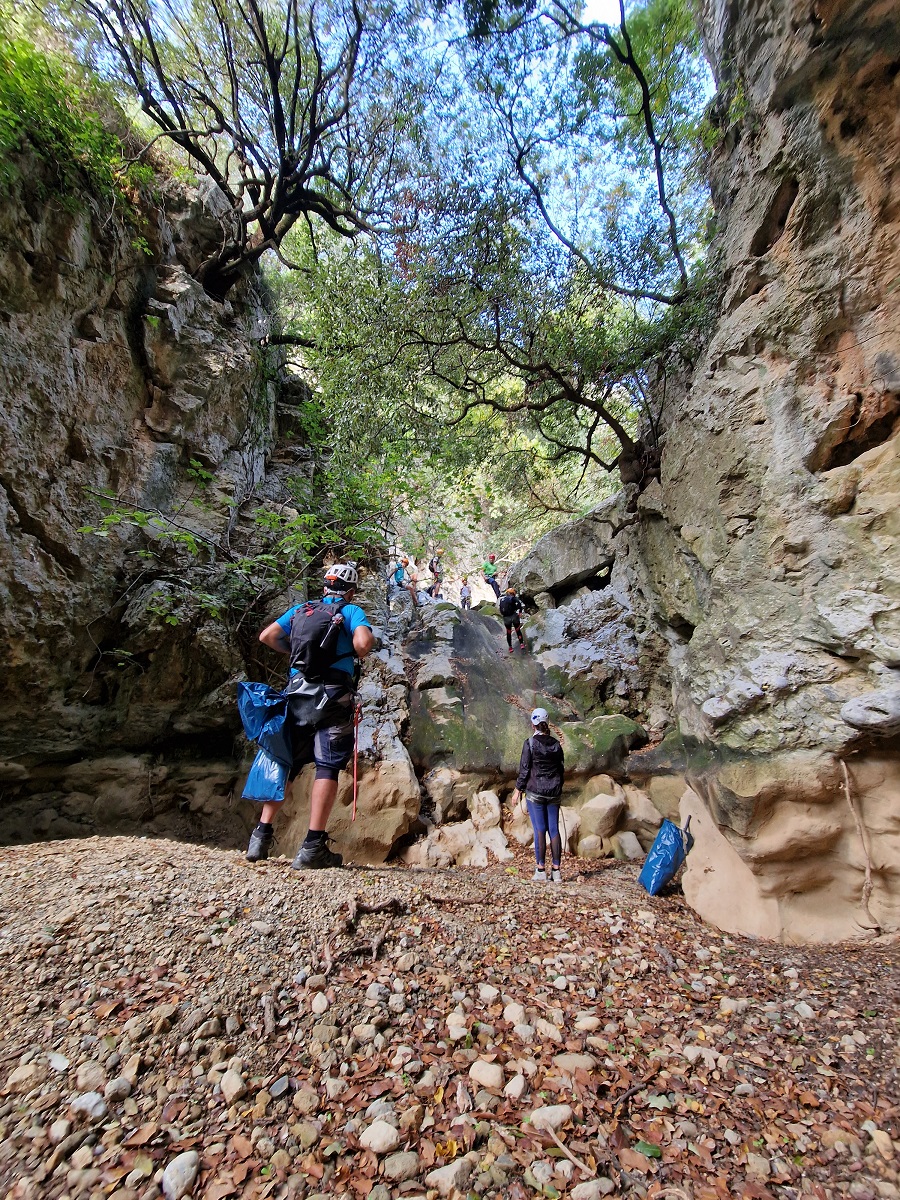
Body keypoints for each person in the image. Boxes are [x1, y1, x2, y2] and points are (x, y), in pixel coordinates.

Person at [246, 563, 375, 869]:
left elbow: (267, 636)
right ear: (351, 591)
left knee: (286, 761)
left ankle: (260, 837)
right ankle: (312, 846)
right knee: (328, 766)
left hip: (297, 695)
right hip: (332, 699)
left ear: (324, 586)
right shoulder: (352, 611)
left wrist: (297, 655)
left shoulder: (301, 609)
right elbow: (363, 645)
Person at [511, 708, 565, 883]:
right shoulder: (556, 745)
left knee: (540, 829)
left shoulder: (530, 743)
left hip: (535, 792)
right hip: (554, 793)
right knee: (554, 830)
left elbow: (525, 769)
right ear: (547, 723)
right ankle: (556, 872)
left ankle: (541, 870)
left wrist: (517, 790)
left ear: (532, 724)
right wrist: (558, 788)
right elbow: (561, 770)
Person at [499, 586, 525, 653]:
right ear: (513, 593)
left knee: (508, 632)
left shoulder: (502, 599)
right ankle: (521, 644)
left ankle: (510, 647)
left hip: (506, 617)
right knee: (517, 630)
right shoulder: (513, 598)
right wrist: (520, 612)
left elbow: (500, 609)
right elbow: (519, 604)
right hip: (513, 616)